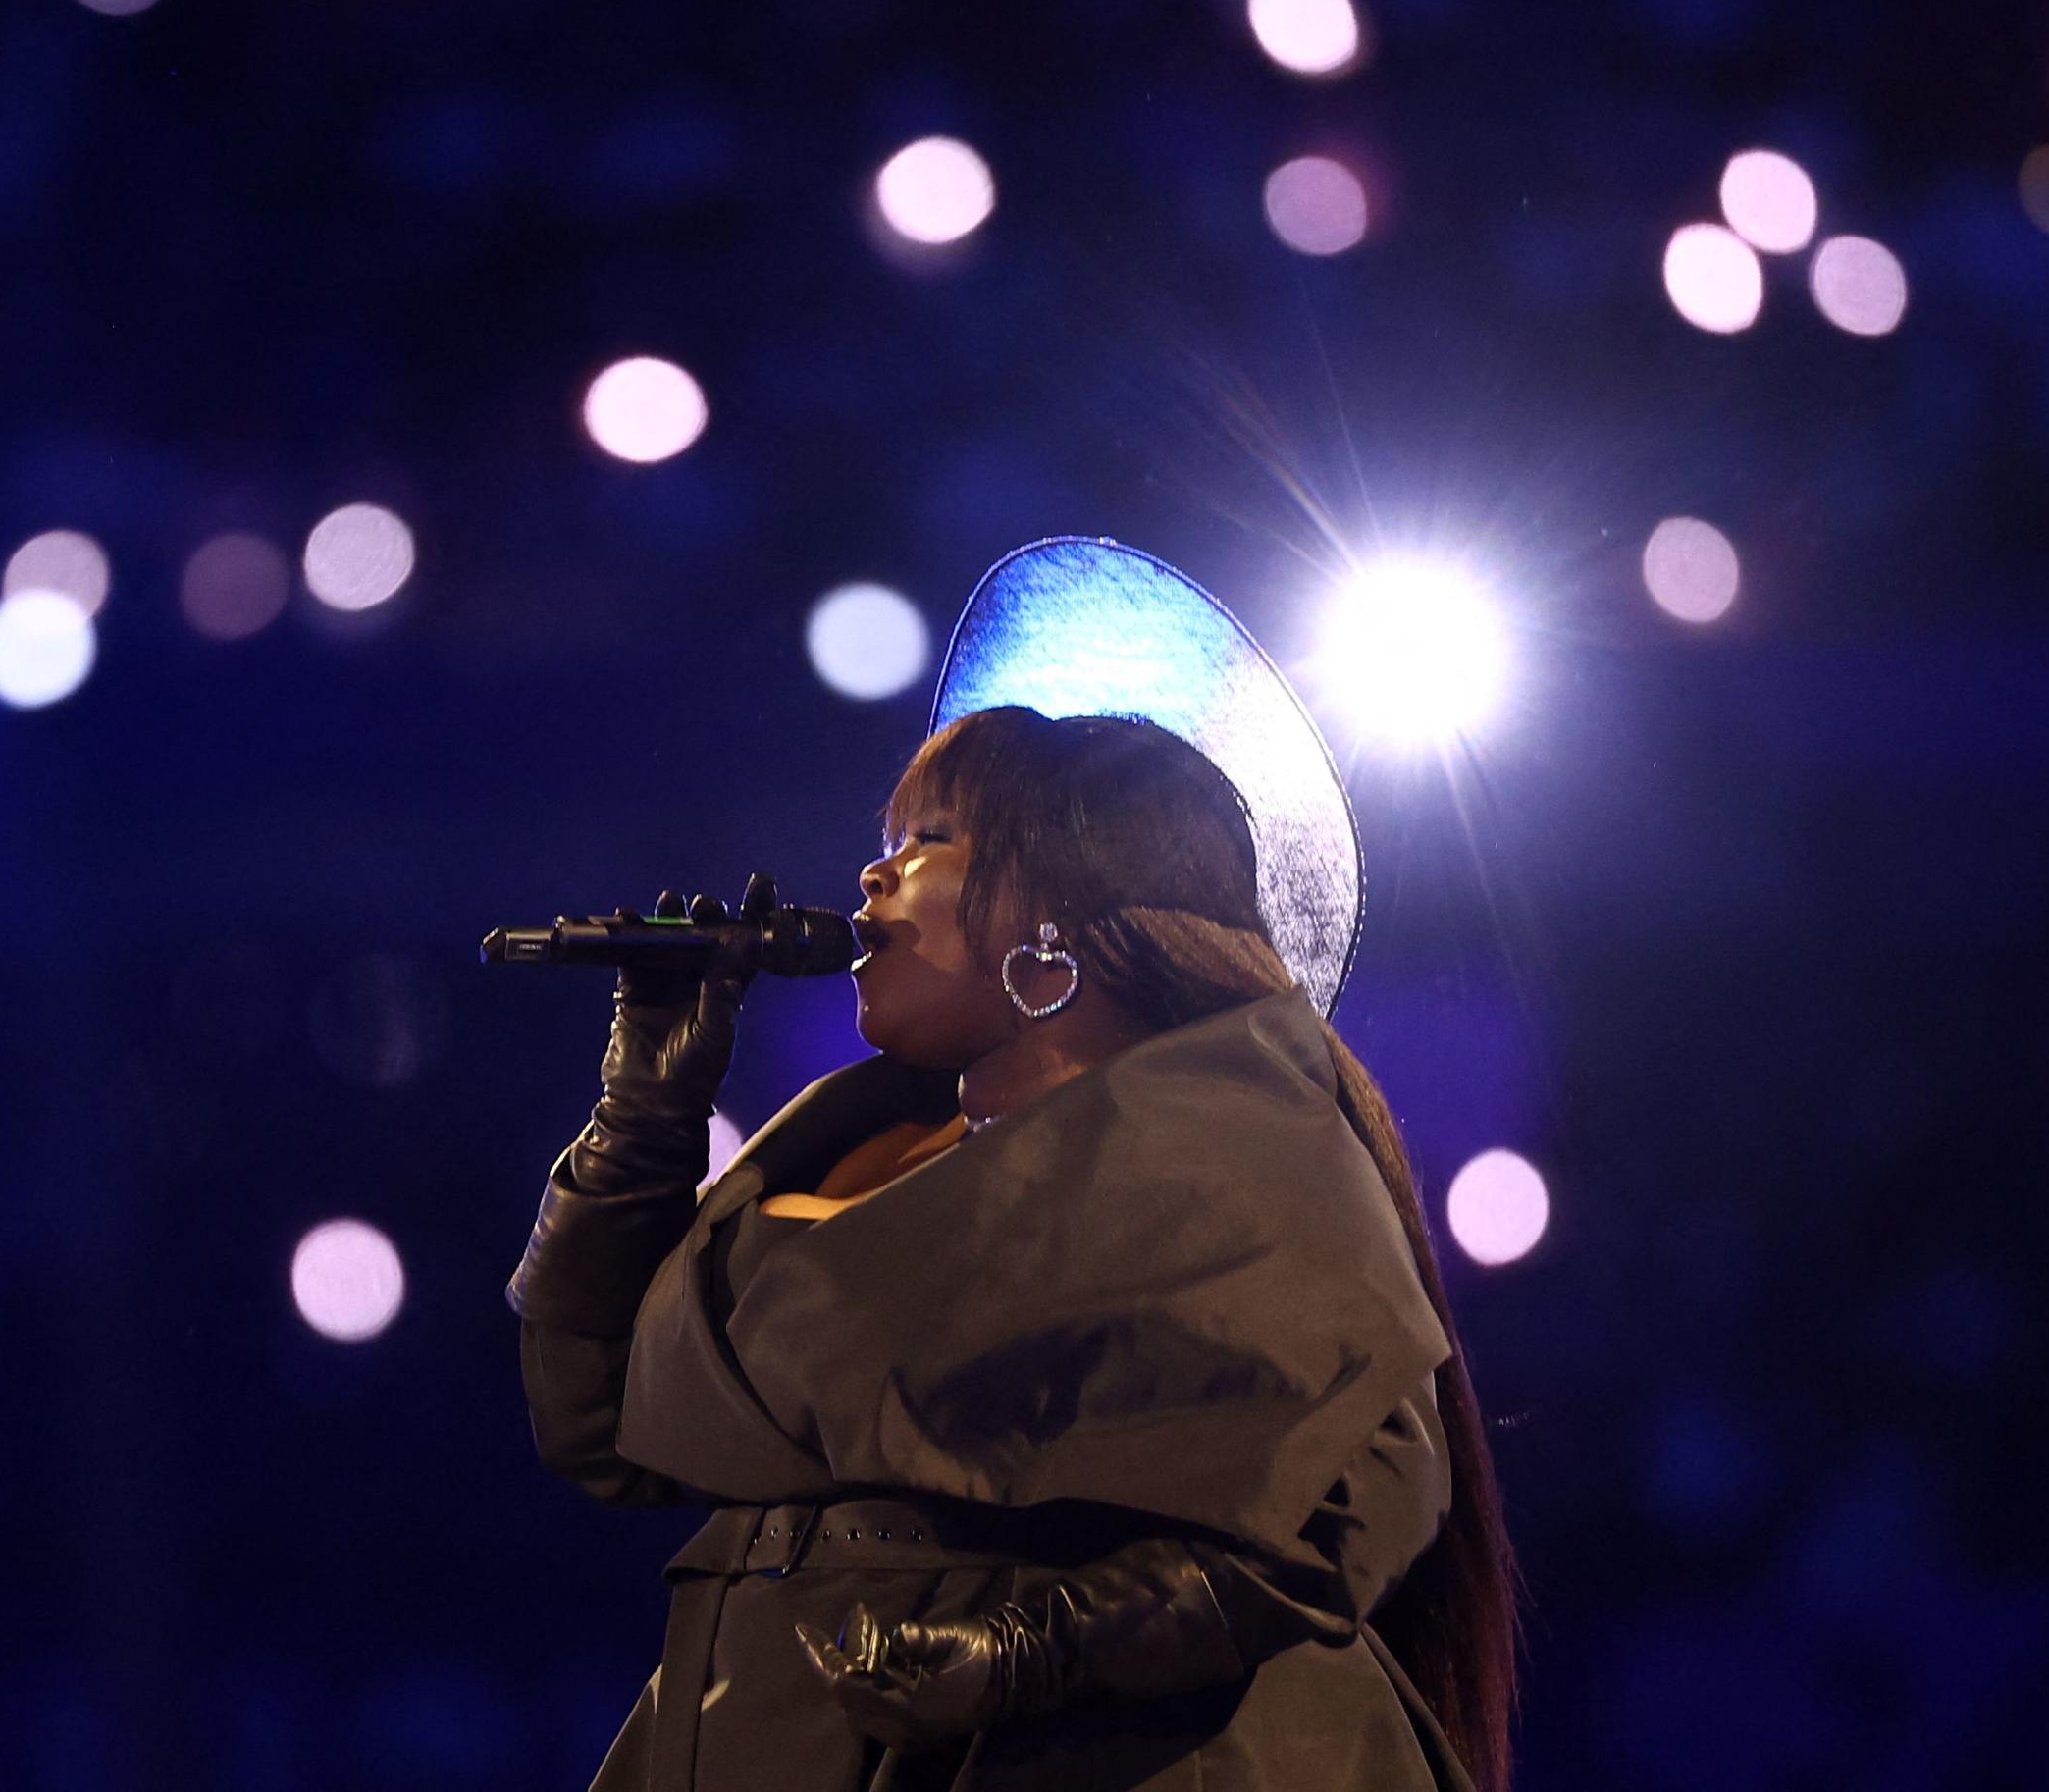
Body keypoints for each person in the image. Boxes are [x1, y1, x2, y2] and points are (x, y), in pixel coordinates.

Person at [508, 706, 1519, 1792]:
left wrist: (1031, 1651)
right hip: (769, 1731)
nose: (870, 875)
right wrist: (644, 1117)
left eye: (925, 842)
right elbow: (600, 1425)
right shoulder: (848, 1153)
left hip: (1098, 1756)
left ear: (1060, 909)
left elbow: (1354, 1498)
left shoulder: (1238, 1151)